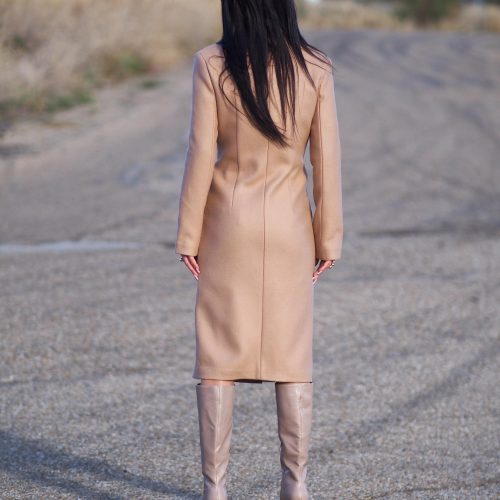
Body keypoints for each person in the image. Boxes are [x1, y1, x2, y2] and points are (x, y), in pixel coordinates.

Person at [175, 0, 343, 498]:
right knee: (292, 356)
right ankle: (295, 485)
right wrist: (329, 237)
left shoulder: (213, 63)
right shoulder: (315, 67)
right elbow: (326, 160)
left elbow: (200, 153)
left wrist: (188, 235)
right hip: (290, 228)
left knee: (217, 356)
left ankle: (215, 489)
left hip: (227, 225)